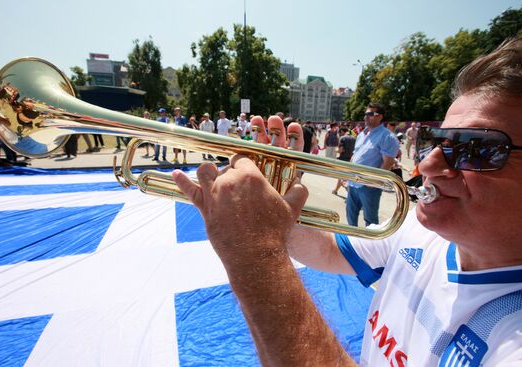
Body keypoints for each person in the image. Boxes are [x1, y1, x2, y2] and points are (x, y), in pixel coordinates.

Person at [172, 36, 522, 366]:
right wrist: (273, 210)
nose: (427, 163)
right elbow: (326, 251)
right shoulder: (418, 228)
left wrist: (255, 255)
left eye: (476, 148)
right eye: (436, 141)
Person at [346, 103, 400, 227]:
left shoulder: (387, 137)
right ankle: (351, 241)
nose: (366, 117)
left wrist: (373, 182)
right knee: (351, 216)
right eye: (366, 114)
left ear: (380, 116)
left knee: (370, 220)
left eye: (370, 114)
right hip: (353, 182)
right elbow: (355, 156)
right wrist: (347, 175)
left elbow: (388, 162)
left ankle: (369, 244)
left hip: (369, 186)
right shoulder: (361, 134)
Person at [332, 127, 356, 195]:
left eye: (339, 132)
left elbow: (340, 150)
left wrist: (336, 150)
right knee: (344, 176)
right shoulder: (355, 139)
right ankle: (335, 190)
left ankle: (349, 192)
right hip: (351, 160)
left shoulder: (343, 138)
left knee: (342, 177)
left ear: (342, 131)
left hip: (343, 159)